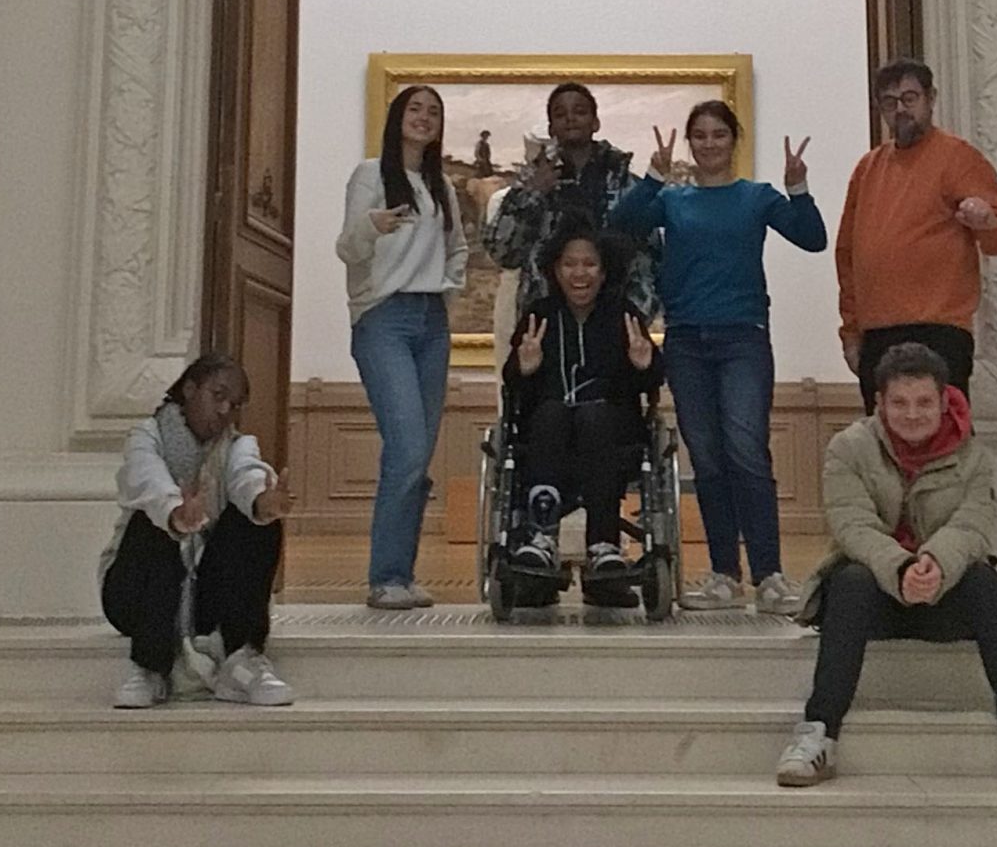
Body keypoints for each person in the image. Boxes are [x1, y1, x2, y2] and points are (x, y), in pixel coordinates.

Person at [776, 344, 997, 788]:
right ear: (880, 403)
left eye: (924, 402)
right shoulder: (848, 449)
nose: (912, 414)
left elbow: (973, 526)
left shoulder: (974, 458)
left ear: (944, 401)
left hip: (940, 596)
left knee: (985, 581)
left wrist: (934, 565)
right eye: (900, 403)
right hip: (870, 599)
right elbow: (852, 526)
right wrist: (902, 568)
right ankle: (818, 733)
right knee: (851, 580)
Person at [610, 100, 825, 614]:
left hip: (743, 339)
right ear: (691, 143)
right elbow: (621, 225)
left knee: (746, 452)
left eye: (719, 134)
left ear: (734, 140)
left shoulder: (757, 197)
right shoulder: (674, 200)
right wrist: (653, 177)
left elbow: (813, 239)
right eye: (700, 136)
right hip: (686, 341)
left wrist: (798, 187)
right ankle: (725, 574)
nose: (709, 144)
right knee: (706, 458)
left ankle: (769, 574)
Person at [99, 352, 292, 711]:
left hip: (204, 595)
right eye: (218, 395)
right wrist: (176, 514)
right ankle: (150, 667)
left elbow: (246, 473)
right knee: (151, 520)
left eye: (235, 404)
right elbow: (146, 477)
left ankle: (242, 659)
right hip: (134, 593)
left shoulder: (237, 445)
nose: (225, 410)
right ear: (189, 389)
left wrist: (262, 501)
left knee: (255, 521)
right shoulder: (147, 436)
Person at [338, 82, 468, 611]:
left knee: (419, 451)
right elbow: (347, 248)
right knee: (408, 447)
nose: (424, 117)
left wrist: (446, 289)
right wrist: (372, 226)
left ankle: (402, 575)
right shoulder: (370, 175)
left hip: (431, 321)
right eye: (415, 108)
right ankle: (386, 576)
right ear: (397, 117)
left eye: (433, 112)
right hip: (383, 319)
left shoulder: (442, 186)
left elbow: (458, 248)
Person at [835, 57, 997, 408]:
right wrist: (850, 331)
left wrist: (987, 220)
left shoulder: (957, 157)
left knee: (942, 433)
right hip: (877, 334)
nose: (900, 110)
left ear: (930, 98)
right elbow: (847, 256)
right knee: (882, 437)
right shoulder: (867, 169)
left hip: (939, 330)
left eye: (910, 98)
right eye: (889, 102)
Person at [503, 225, 660, 593]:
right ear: (555, 271)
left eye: (590, 264)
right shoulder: (539, 316)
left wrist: (643, 365)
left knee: (593, 415)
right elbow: (514, 384)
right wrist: (524, 368)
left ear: (603, 273)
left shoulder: (623, 315)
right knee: (551, 413)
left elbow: (652, 379)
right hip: (547, 432)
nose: (579, 273)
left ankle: (604, 544)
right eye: (570, 264)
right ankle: (542, 537)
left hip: (611, 432)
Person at [481, 79, 658, 323]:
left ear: (595, 123)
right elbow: (504, 254)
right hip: (546, 321)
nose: (570, 118)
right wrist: (532, 195)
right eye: (560, 114)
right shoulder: (532, 182)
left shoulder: (625, 184)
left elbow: (651, 256)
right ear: (551, 128)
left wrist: (638, 313)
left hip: (615, 320)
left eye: (580, 111)